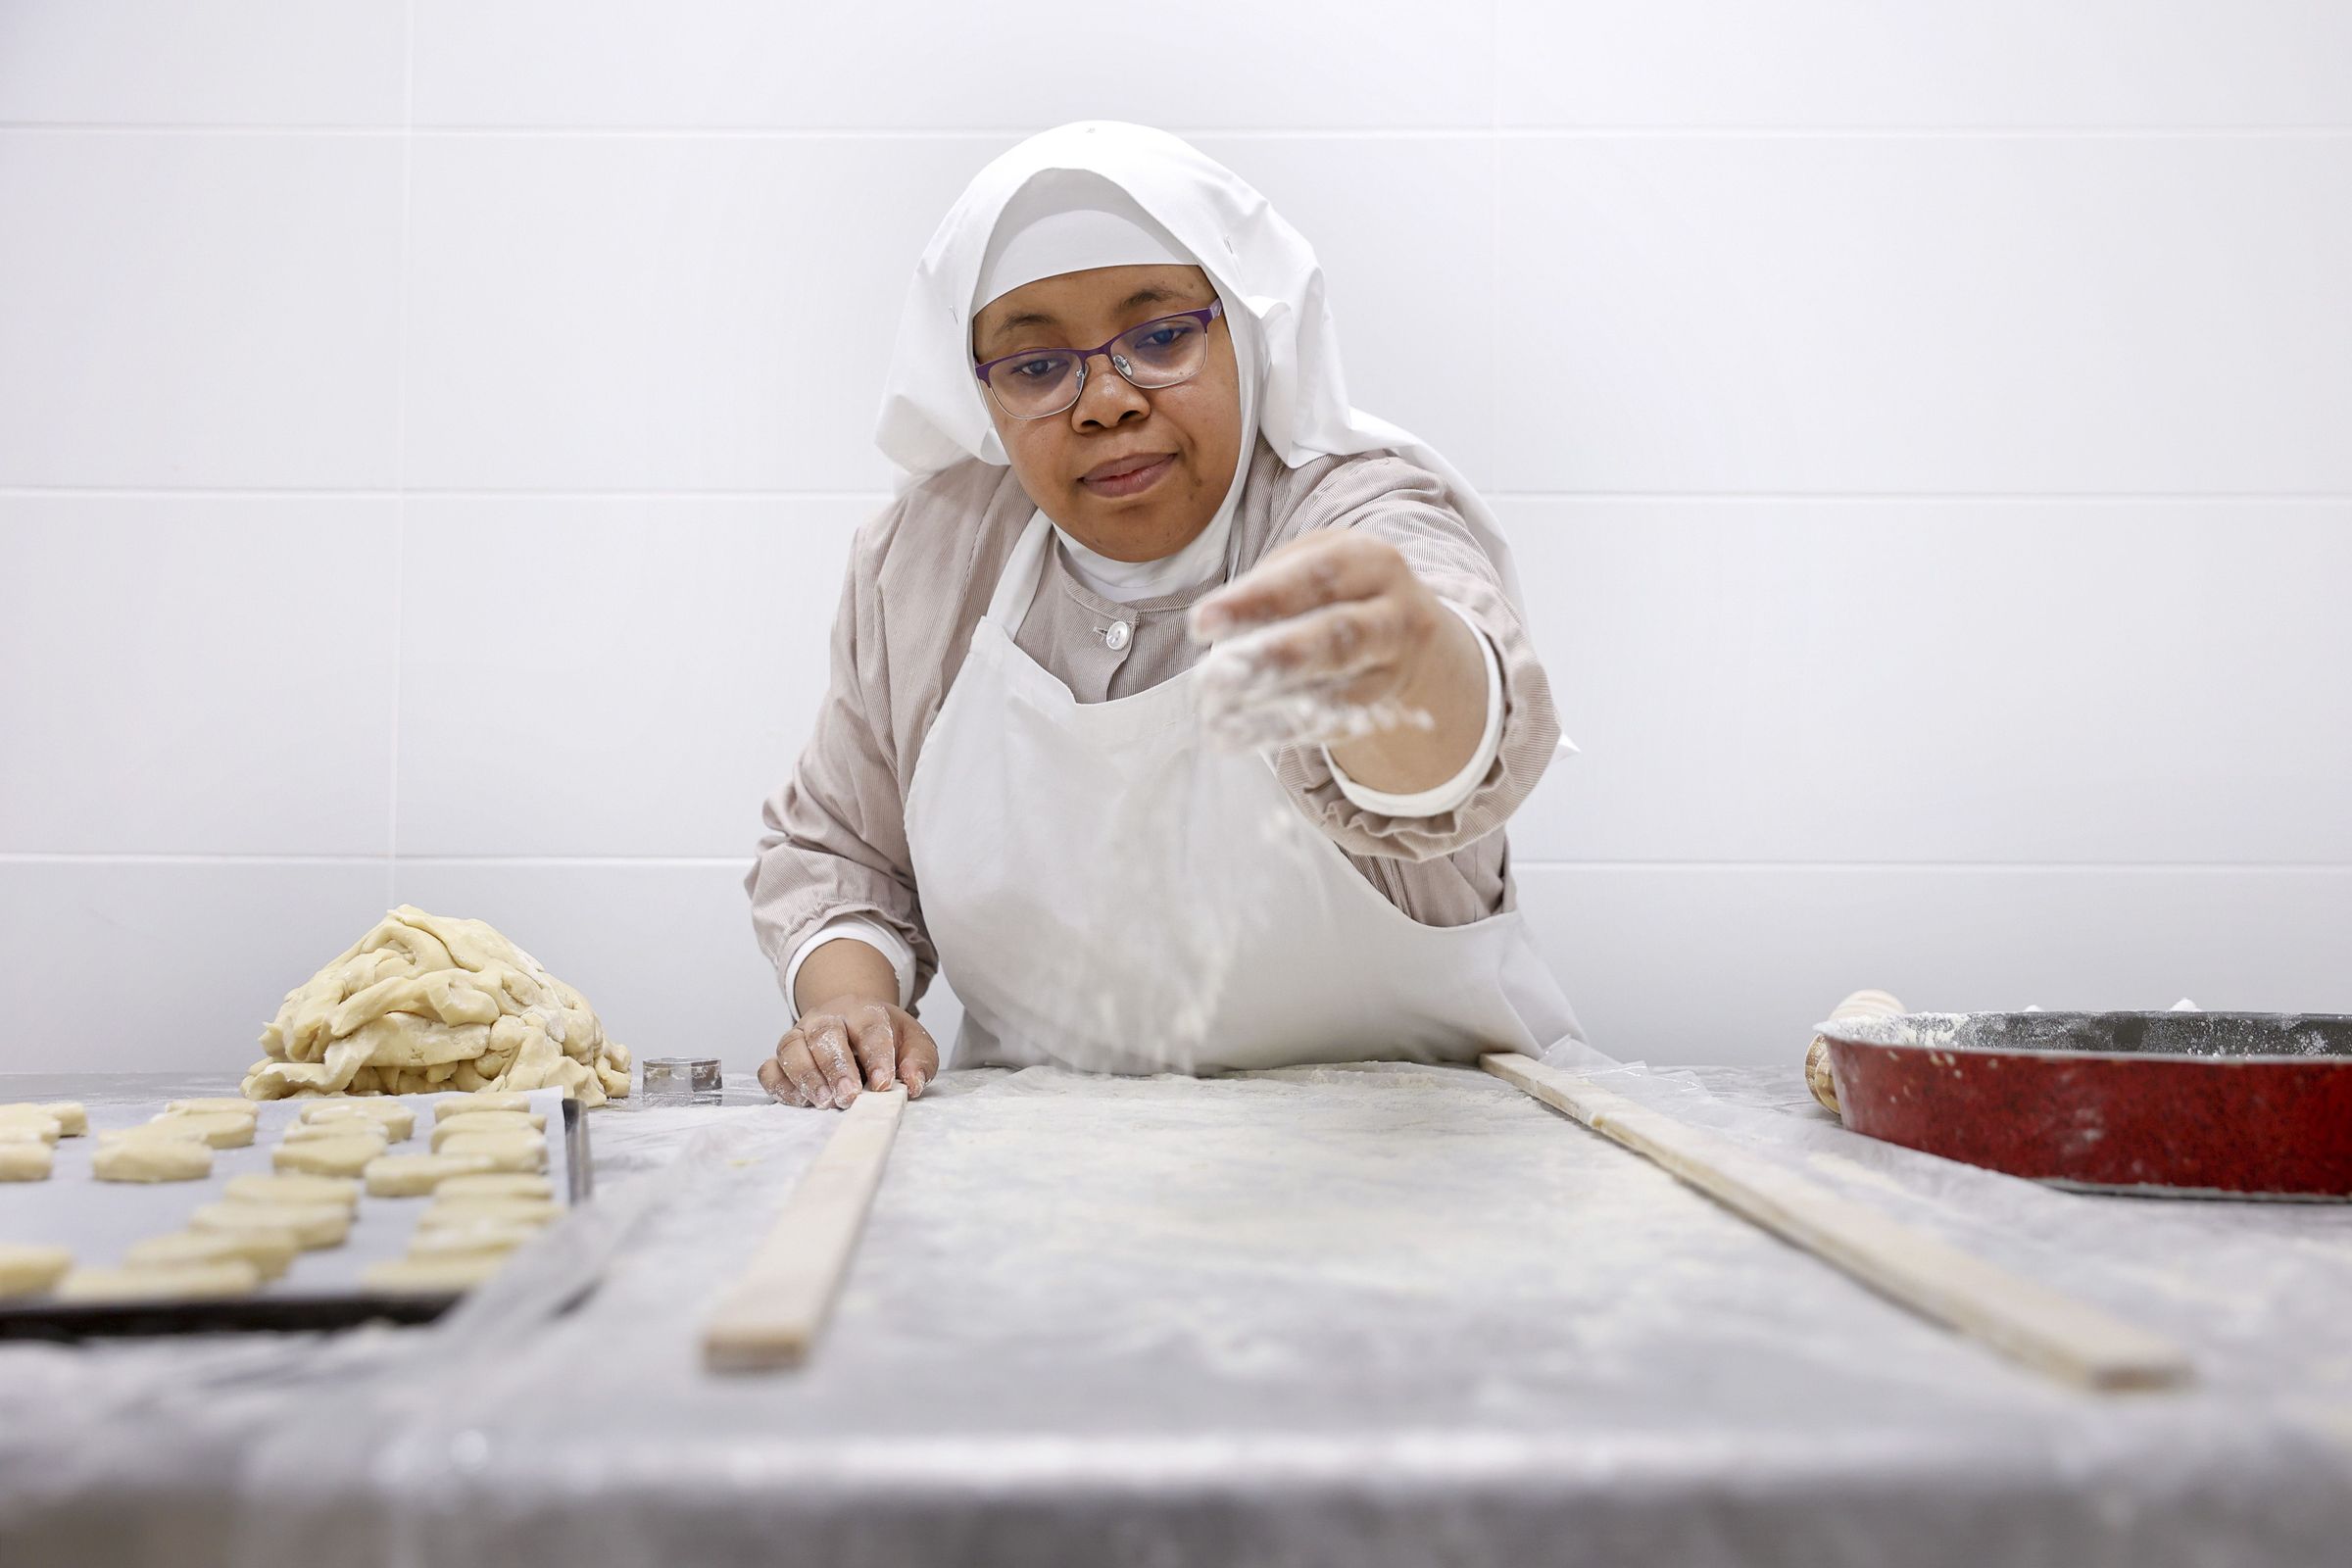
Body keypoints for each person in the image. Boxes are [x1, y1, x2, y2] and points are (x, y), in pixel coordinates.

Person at [748, 121, 1581, 1110]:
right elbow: (844, 852)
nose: (1103, 401)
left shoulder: (1349, 515)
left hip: (1412, 1156)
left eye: (1160, 337)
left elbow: (1448, 733)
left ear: (1244, 330)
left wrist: (1404, 662)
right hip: (1037, 1193)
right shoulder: (931, 561)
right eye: (1035, 366)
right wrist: (850, 1008)